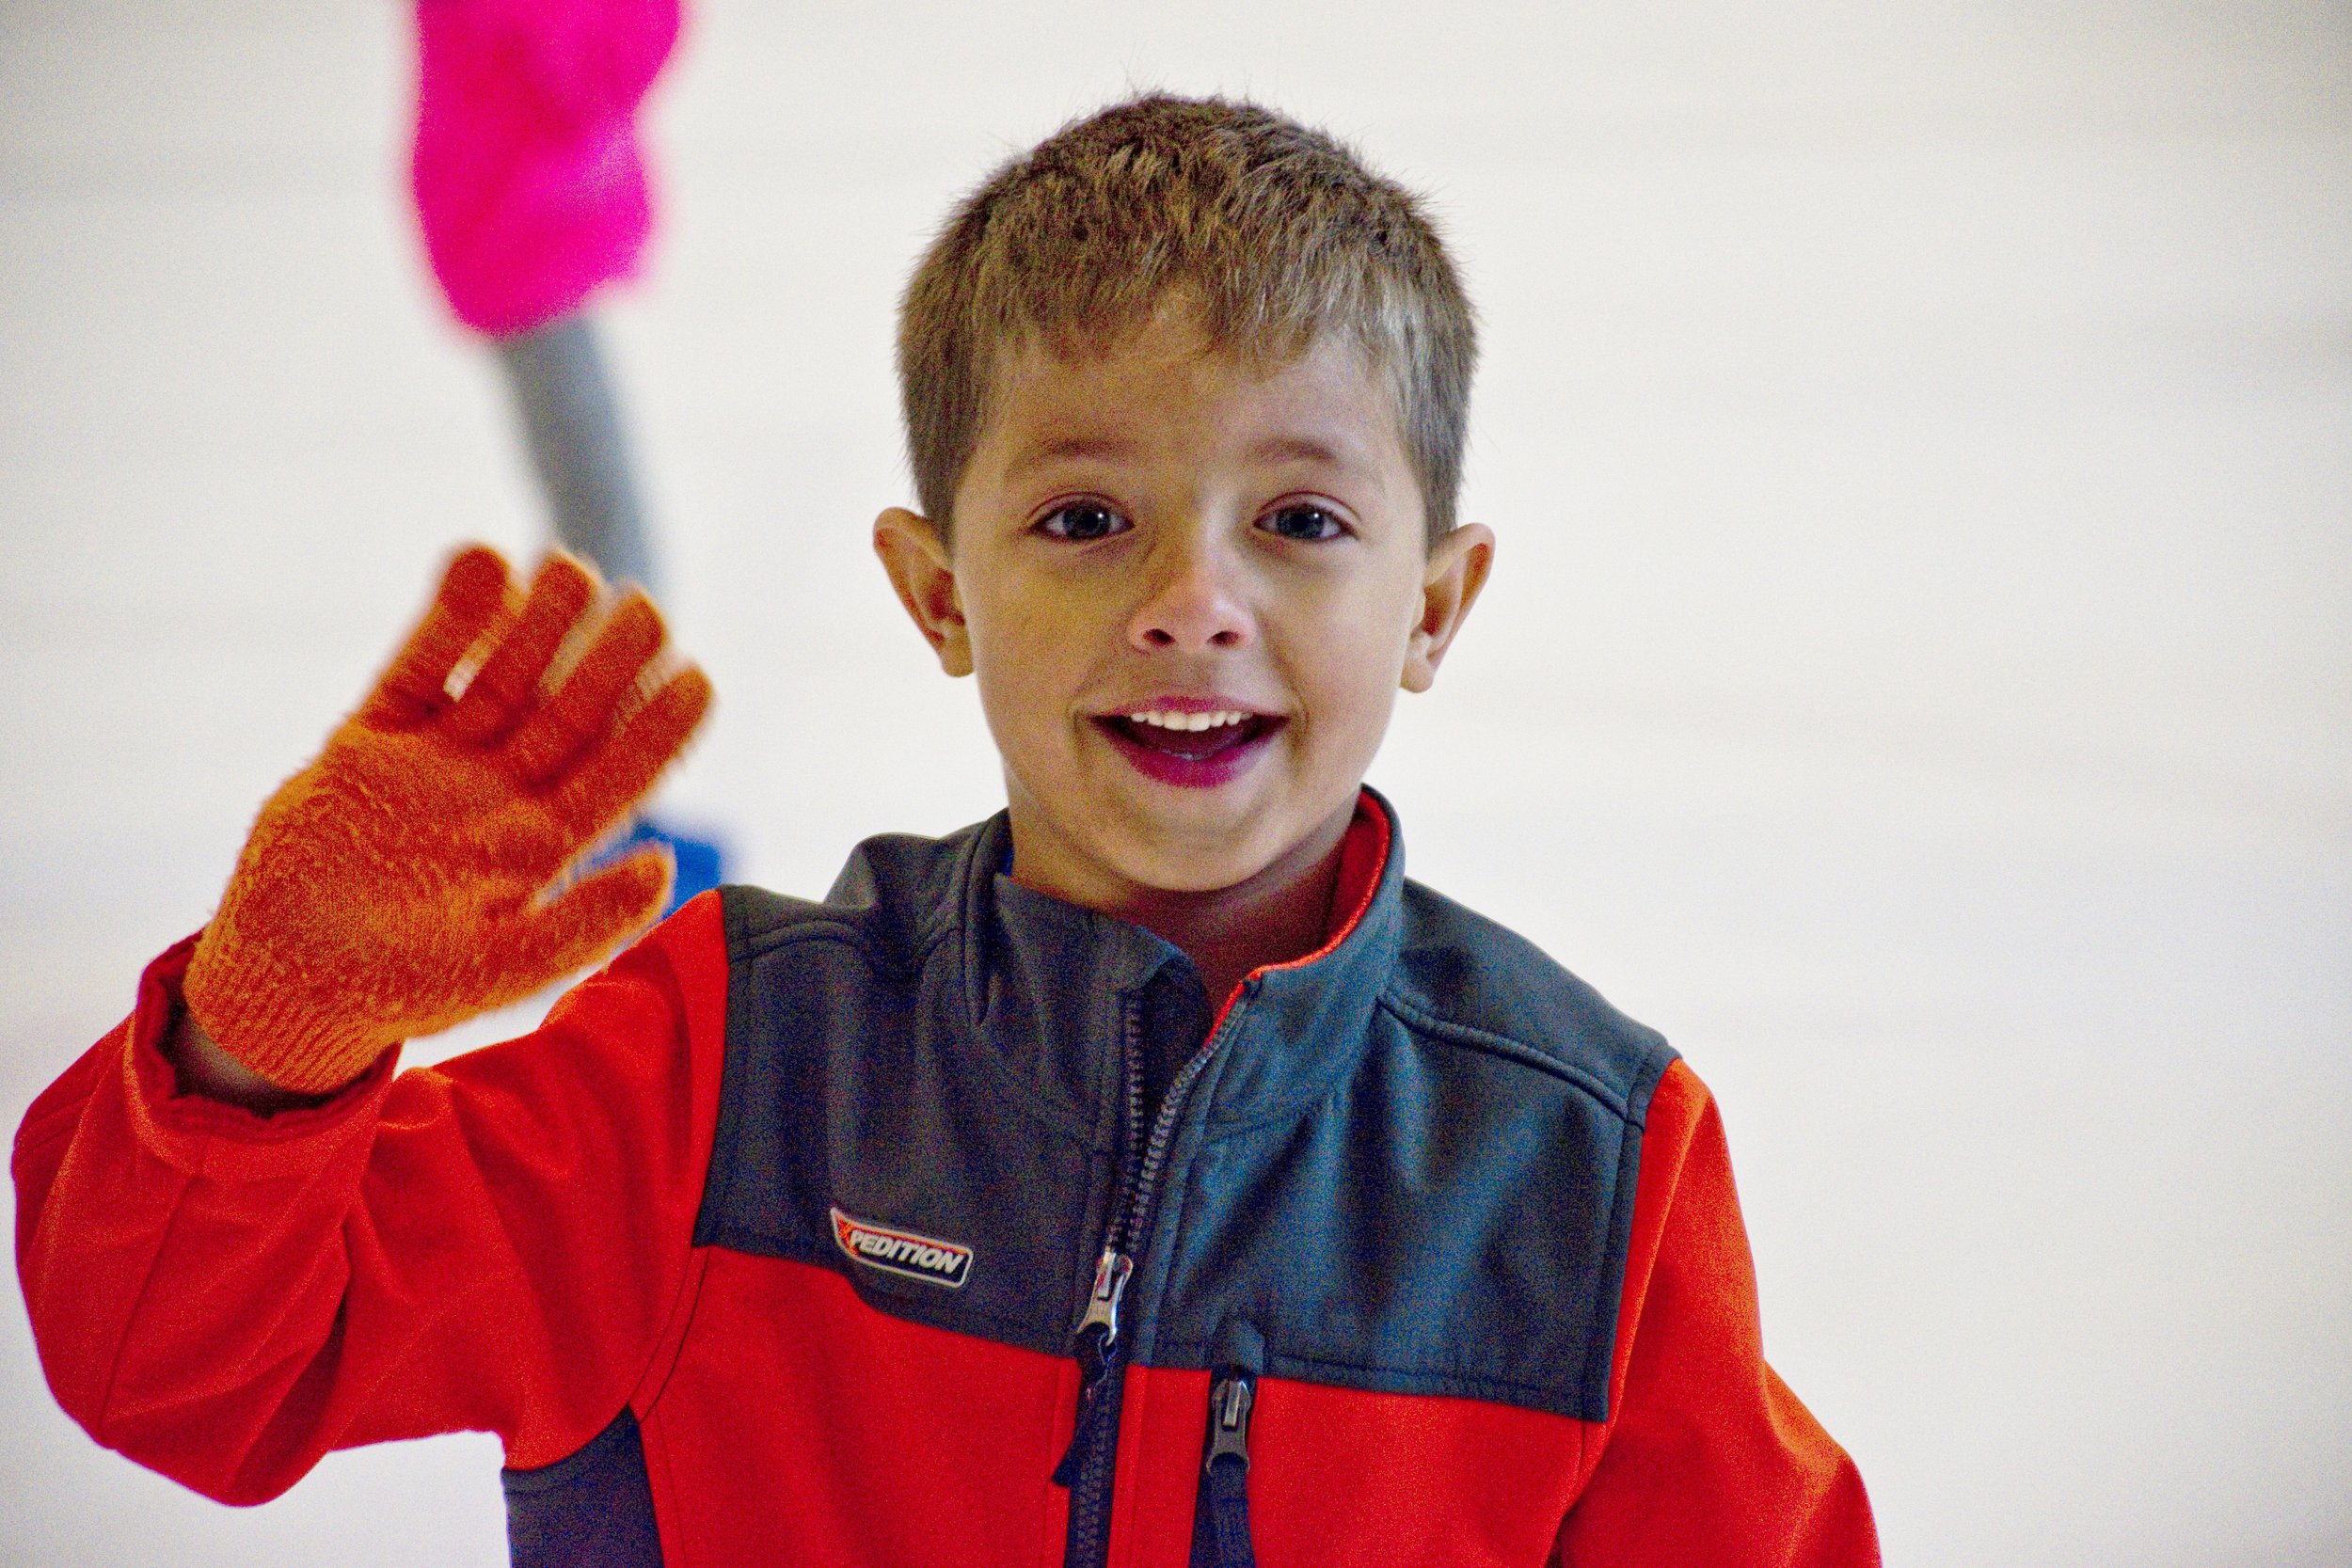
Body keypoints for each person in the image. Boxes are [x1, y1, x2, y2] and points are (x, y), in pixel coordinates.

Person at [13, 95, 1879, 1566]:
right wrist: (259, 1043)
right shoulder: (727, 1068)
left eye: (1298, 521)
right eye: (1084, 519)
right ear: (934, 588)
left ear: (1434, 601)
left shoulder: (1578, 1157)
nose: (1191, 599)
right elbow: (182, 1372)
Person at [411, 0, 722, 907]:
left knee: (596, 531)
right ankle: (586, 821)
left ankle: (586, 808)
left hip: (515, 230)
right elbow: (601, 63)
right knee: (610, 543)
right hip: (519, 240)